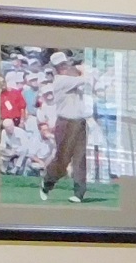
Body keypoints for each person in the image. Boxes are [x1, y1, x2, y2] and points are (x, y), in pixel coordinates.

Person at [37, 50, 96, 201]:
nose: (64, 67)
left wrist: (80, 70)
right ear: (57, 68)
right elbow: (87, 79)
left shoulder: (70, 78)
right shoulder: (60, 81)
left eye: (65, 64)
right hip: (65, 123)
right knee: (62, 161)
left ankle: (79, 193)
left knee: (80, 158)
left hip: (80, 122)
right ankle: (48, 182)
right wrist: (83, 70)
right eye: (61, 65)